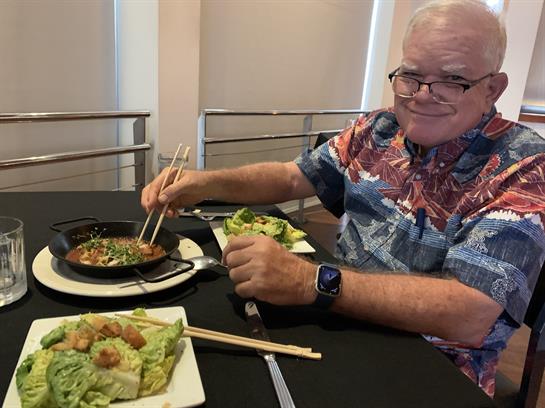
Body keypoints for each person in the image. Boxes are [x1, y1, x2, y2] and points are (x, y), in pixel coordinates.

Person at [141, 0, 545, 397]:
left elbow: (470, 311)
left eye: (451, 81)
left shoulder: (522, 166)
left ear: (492, 88)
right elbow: (290, 177)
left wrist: (310, 280)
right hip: (337, 321)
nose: (422, 96)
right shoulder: (379, 128)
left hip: (431, 369)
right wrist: (204, 182)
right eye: (411, 76)